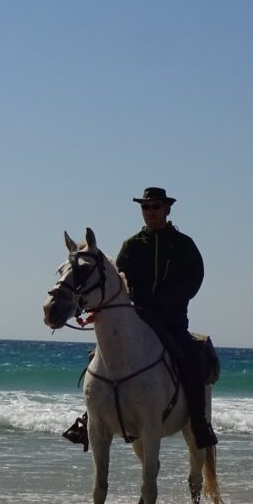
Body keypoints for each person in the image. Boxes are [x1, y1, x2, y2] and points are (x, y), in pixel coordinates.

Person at [63, 186, 217, 450]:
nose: (150, 211)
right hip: (137, 317)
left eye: (155, 206)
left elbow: (194, 279)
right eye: (146, 207)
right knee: (99, 358)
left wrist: (169, 301)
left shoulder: (183, 245)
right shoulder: (132, 245)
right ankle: (92, 420)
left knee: (191, 360)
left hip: (171, 319)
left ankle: (199, 425)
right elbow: (118, 280)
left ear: (167, 209)